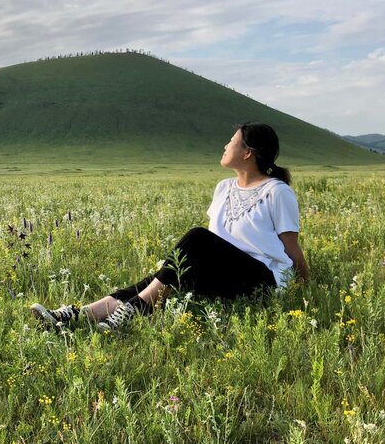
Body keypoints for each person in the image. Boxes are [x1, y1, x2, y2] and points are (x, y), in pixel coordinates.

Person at [30, 122, 309, 331]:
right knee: (162, 275)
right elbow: (217, 244)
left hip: (260, 280)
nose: (225, 146)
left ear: (248, 152)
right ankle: (75, 315)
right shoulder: (224, 187)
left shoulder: (277, 192)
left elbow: (292, 249)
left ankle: (138, 308)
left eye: (231, 141)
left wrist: (305, 292)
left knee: (196, 239)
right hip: (221, 275)